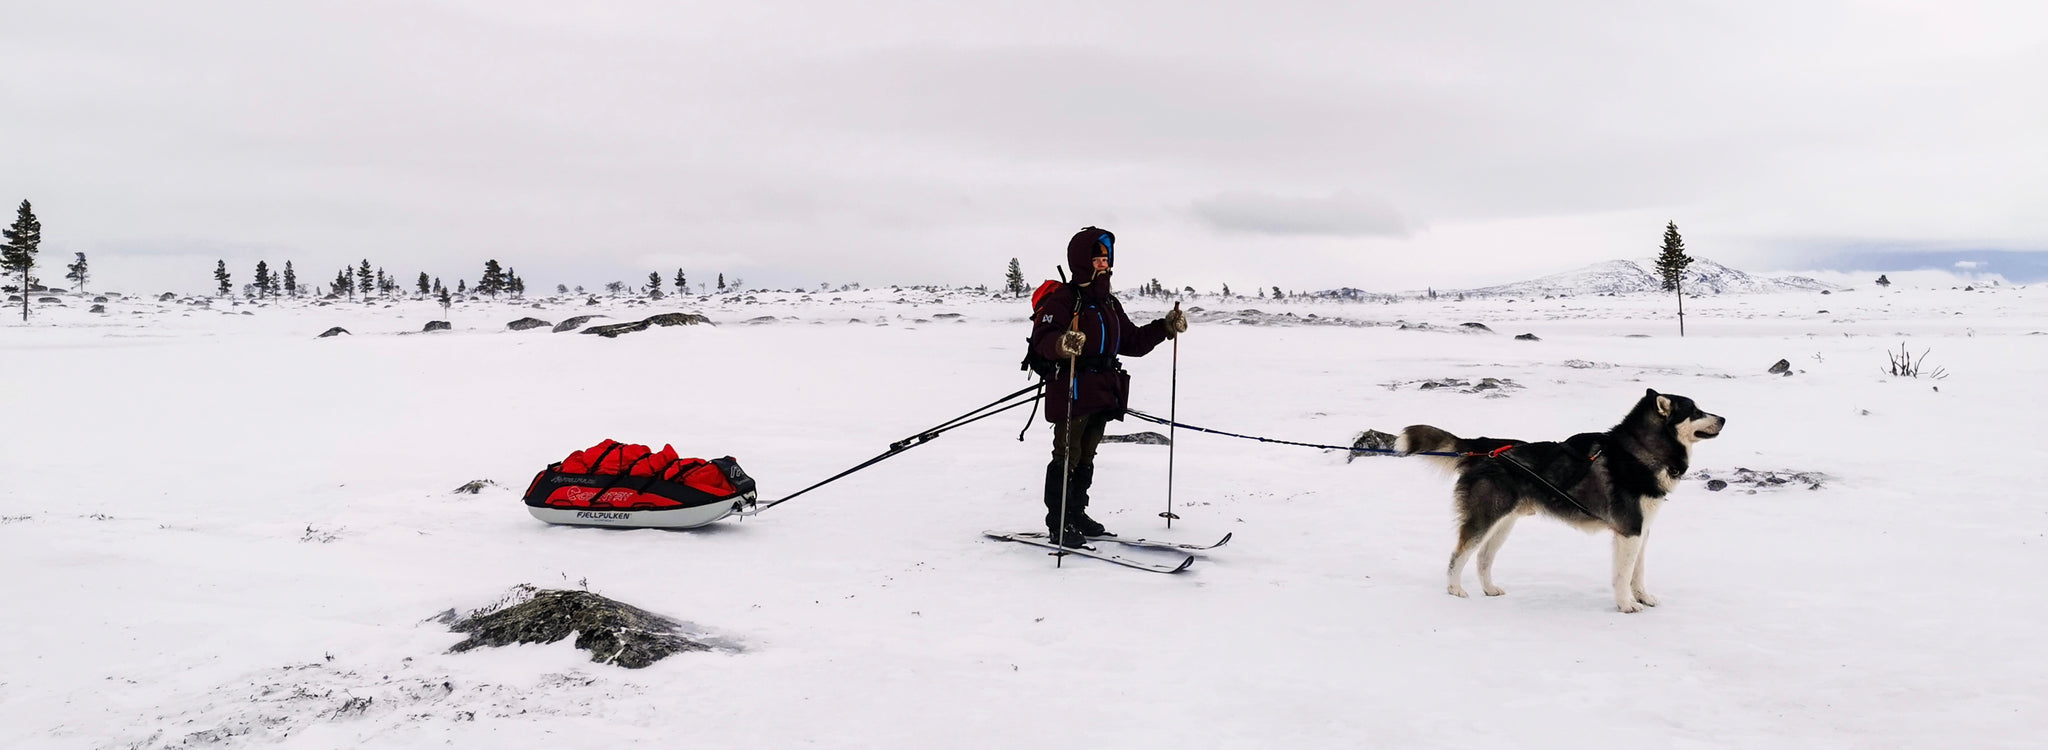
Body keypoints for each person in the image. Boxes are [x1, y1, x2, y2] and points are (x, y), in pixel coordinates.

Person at [1027, 227, 1188, 547]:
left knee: (1087, 454)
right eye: (1098, 259)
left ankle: (1077, 513)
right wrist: (1062, 344)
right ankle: (1058, 522)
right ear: (1082, 262)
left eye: (1106, 259)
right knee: (1067, 454)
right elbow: (1042, 342)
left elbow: (1133, 342)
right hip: (1071, 387)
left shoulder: (1109, 304)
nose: (1104, 265)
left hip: (1103, 388)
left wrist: (1165, 328)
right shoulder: (1065, 300)